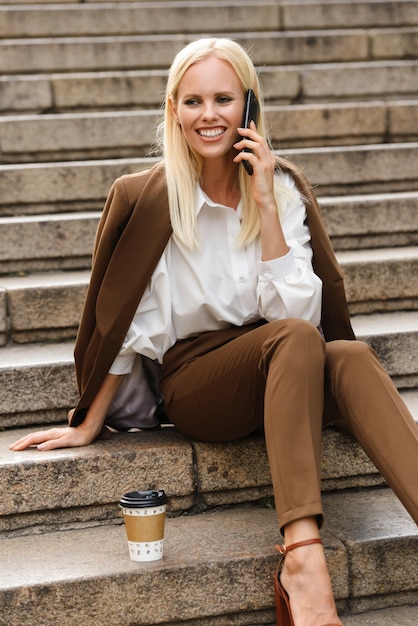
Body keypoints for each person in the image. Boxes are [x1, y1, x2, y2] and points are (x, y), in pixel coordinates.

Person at [10, 38, 418, 626]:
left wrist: (267, 206)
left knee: (348, 354)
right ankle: (303, 559)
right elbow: (127, 325)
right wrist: (87, 422)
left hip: (284, 362)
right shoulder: (146, 197)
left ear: (249, 105)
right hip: (199, 381)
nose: (209, 115)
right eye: (194, 100)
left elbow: (300, 314)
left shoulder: (279, 187)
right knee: (299, 339)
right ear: (173, 108)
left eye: (224, 98)